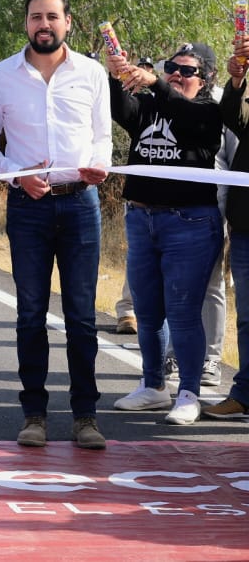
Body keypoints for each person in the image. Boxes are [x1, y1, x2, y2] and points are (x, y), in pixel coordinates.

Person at [0, 0, 111, 449]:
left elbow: (103, 138)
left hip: (80, 205)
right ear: (26, 23)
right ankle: (34, 415)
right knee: (31, 314)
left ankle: (85, 417)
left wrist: (99, 166)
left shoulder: (91, 73)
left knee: (81, 317)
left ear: (68, 22)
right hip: (27, 206)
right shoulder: (1, 78)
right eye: (36, 17)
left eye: (52, 16)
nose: (44, 25)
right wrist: (17, 176)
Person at [107, 43, 223, 426]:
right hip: (142, 219)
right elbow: (120, 109)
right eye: (172, 67)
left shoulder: (207, 111)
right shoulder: (153, 105)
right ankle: (153, 386)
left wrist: (156, 82)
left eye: (187, 71)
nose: (176, 73)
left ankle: (188, 392)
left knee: (184, 312)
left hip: (188, 223)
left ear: (205, 79)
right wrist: (116, 75)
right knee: (147, 311)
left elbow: (183, 113)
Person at [204, 36, 249, 419]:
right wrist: (238, 82)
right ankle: (245, 394)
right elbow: (233, 118)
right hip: (247, 223)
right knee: (248, 315)